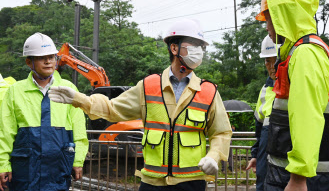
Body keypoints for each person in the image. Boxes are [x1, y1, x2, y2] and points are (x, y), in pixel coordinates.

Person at [48, 18, 233, 191]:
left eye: (201, 46)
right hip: (152, 183)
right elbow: (112, 109)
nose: (198, 50)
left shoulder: (208, 92)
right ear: (174, 48)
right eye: (193, 45)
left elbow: (221, 131)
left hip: (192, 183)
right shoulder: (148, 86)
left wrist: (214, 155)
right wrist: (79, 99)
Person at [256, 0, 329, 190]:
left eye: (269, 18)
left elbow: (306, 116)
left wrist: (298, 177)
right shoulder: (298, 51)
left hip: (302, 180)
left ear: (283, 16)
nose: (267, 26)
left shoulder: (305, 53)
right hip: (295, 176)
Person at [0, 33, 89, 191]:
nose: (48, 61)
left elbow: (79, 129)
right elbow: (5, 131)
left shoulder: (68, 89)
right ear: (29, 62)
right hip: (25, 171)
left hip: (57, 170)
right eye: (42, 58)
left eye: (51, 57)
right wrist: (3, 164)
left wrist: (78, 160)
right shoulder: (15, 91)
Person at [246, 35, 279, 191]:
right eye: (267, 61)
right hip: (265, 168)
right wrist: (255, 155)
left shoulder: (297, 87)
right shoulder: (265, 90)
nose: (271, 66)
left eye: (275, 60)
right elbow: (260, 130)